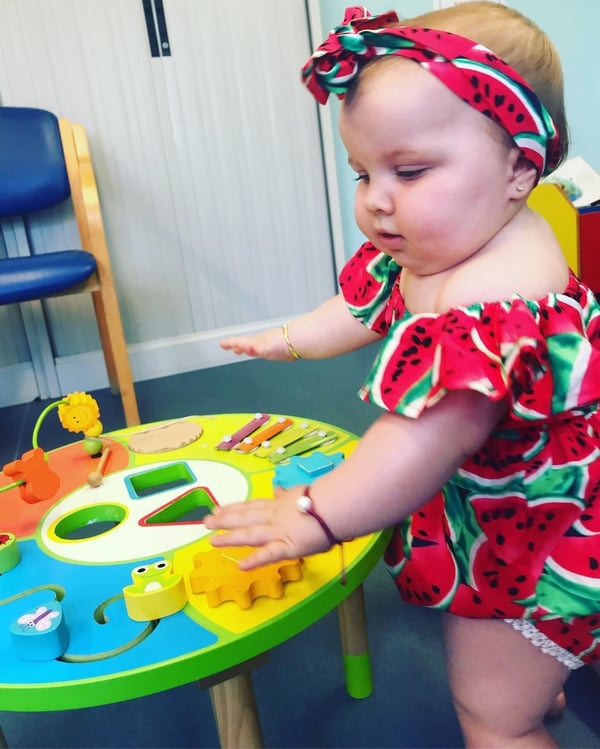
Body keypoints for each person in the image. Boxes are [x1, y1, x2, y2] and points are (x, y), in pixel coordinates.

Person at [204, 4, 600, 746]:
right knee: (525, 662)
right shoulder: (441, 244)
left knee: (492, 715)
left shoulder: (493, 294)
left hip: (541, 531)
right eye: (363, 172)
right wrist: (286, 339)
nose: (377, 199)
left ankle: (518, 713)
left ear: (521, 167)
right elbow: (357, 307)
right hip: (515, 500)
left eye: (409, 170)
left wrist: (315, 514)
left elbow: (418, 440)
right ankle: (540, 672)